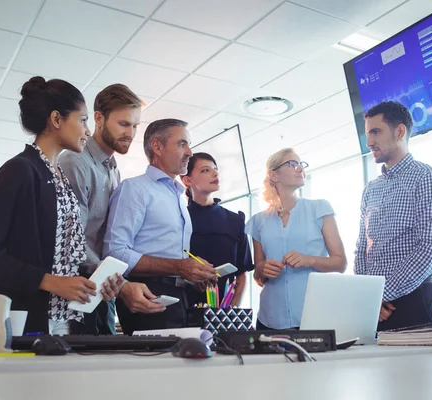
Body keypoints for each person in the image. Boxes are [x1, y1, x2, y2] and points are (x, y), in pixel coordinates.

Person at [0, 77, 119, 341]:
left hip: (62, 324)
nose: (86, 131)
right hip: (21, 326)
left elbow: (60, 257)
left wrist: (93, 282)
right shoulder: (20, 171)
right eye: (82, 120)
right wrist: (50, 281)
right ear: (57, 119)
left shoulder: (58, 178)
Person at [59, 84, 163, 335]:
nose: (131, 133)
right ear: (98, 118)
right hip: (77, 293)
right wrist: (121, 284)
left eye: (135, 126)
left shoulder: (112, 169)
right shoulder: (75, 162)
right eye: (124, 124)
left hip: (103, 292)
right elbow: (72, 241)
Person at [103, 119, 217, 334]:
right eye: (182, 144)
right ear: (157, 146)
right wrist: (180, 267)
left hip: (179, 298)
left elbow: (169, 255)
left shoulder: (178, 195)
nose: (190, 152)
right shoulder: (135, 189)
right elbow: (115, 253)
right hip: (148, 297)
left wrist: (193, 275)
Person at [354, 101, 432, 331]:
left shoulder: (428, 178)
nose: (369, 142)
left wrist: (381, 294)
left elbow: (429, 248)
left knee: (420, 369)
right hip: (377, 308)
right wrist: (367, 295)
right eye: (368, 133)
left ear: (400, 132)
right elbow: (362, 248)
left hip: (416, 300)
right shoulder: (371, 189)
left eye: (376, 132)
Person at [245, 148, 347, 330]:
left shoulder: (320, 208)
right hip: (269, 320)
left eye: (301, 164)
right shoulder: (258, 222)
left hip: (312, 317)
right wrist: (261, 269)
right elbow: (259, 278)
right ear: (273, 175)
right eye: (292, 164)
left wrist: (308, 260)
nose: (300, 169)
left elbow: (340, 263)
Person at [181, 152, 253, 307]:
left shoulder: (236, 220)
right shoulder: (178, 219)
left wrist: (232, 310)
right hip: (185, 309)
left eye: (215, 169)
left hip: (226, 309)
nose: (215, 173)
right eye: (205, 170)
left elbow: (242, 273)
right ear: (187, 180)